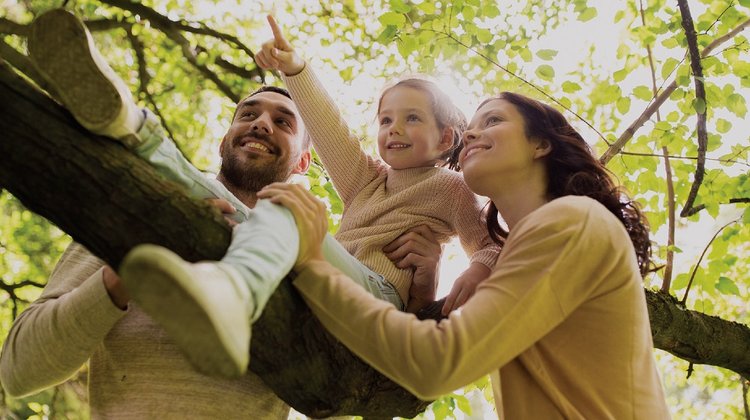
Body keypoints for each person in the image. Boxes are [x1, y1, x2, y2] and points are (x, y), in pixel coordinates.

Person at [0, 9, 440, 416]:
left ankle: (137, 128)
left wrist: (418, 296)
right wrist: (123, 274)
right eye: (248, 114)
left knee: (291, 213)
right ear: (223, 140)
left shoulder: (308, 248)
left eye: (284, 121)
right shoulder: (135, 210)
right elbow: (19, 371)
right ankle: (130, 125)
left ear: (304, 162)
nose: (261, 124)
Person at [260, 92, 672, 418]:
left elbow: (437, 362)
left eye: (492, 120)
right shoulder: (528, 257)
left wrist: (313, 261)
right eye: (471, 127)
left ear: (541, 144)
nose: (471, 134)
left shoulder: (572, 221)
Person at [256, 16, 501, 314]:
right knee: (267, 225)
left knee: (292, 221)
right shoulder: (365, 179)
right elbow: (328, 127)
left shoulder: (451, 187)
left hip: (376, 289)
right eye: (386, 120)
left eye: (412, 118)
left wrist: (476, 270)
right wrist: (295, 68)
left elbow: (490, 244)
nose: (394, 128)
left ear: (445, 138)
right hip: (323, 277)